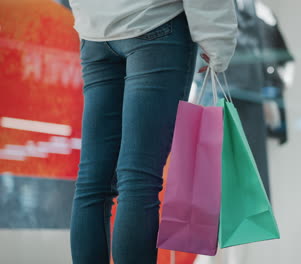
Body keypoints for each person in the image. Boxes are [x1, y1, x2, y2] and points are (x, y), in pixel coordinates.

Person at [68, 0, 238, 263]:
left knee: (93, 182)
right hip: (156, 23)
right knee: (138, 180)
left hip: (95, 33)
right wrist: (218, 44)